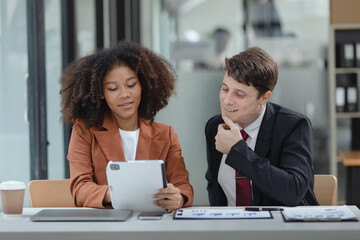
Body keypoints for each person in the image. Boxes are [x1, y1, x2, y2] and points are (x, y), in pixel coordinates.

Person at [60, 41, 193, 210]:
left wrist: (179, 198)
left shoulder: (166, 135)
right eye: (113, 88)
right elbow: (80, 188)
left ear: (143, 86)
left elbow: (183, 186)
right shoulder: (85, 131)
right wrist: (117, 193)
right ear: (100, 93)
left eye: (131, 85)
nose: (124, 94)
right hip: (105, 227)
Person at [205, 47, 319, 207]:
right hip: (233, 227)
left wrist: (237, 151)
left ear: (264, 97)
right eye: (225, 89)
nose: (227, 100)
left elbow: (293, 191)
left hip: (282, 227)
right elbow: (214, 186)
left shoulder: (293, 125)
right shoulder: (215, 127)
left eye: (239, 94)